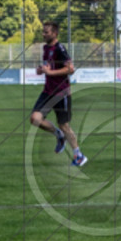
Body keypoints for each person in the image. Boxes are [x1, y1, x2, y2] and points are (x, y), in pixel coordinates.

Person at [29, 21, 87, 167]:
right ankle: (59, 135)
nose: (43, 34)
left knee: (64, 125)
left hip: (61, 93)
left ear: (54, 34)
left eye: (46, 32)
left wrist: (50, 72)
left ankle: (79, 155)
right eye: (43, 31)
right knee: (35, 119)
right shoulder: (45, 48)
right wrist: (41, 69)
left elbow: (70, 69)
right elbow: (49, 66)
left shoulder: (60, 49)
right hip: (48, 91)